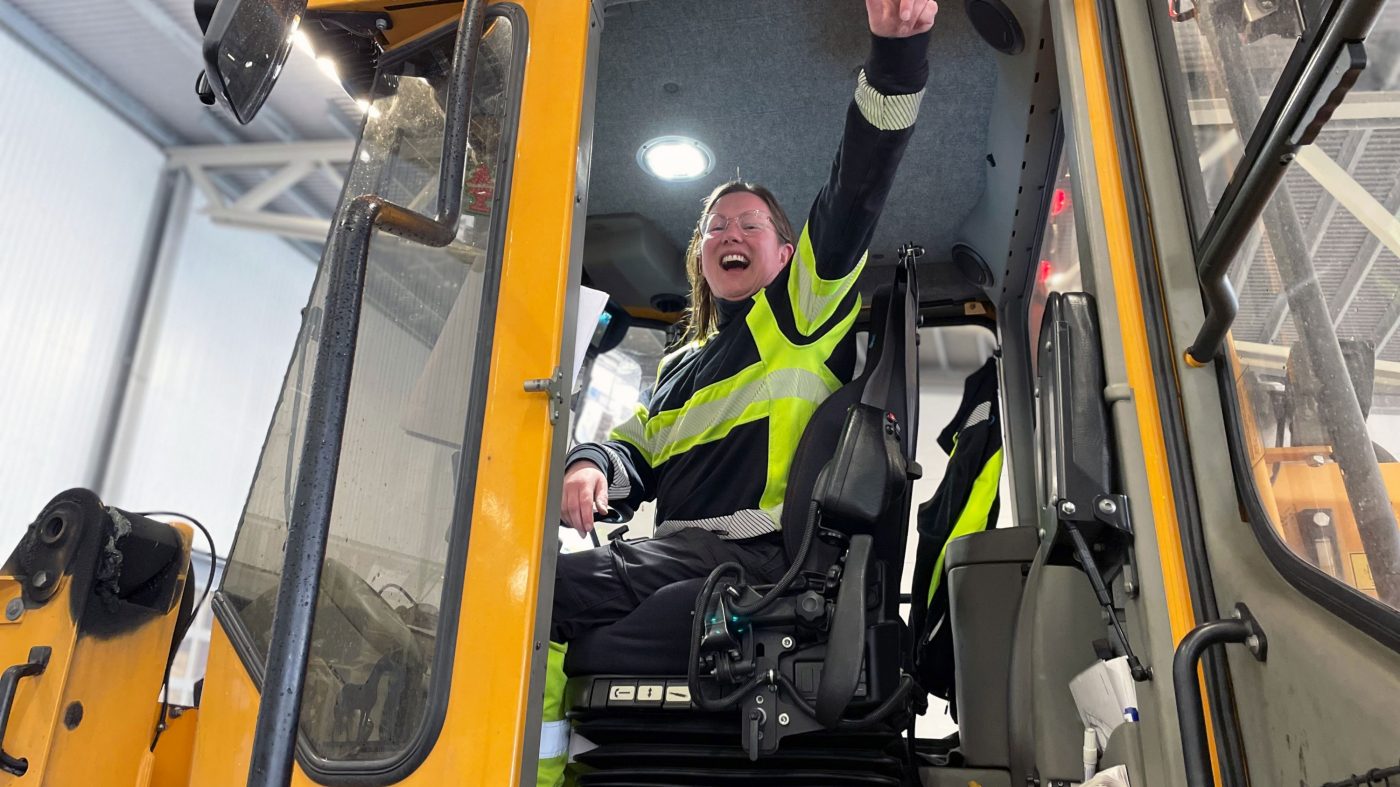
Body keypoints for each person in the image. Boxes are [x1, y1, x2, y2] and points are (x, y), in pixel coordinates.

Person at [538, 1, 937, 779]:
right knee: (554, 582)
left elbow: (854, 190)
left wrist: (898, 57)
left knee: (540, 591)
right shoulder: (678, 368)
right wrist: (588, 465)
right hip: (675, 555)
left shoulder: (799, 315)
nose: (729, 233)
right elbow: (631, 450)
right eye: (716, 225)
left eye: (750, 224)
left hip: (756, 561)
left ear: (787, 255)